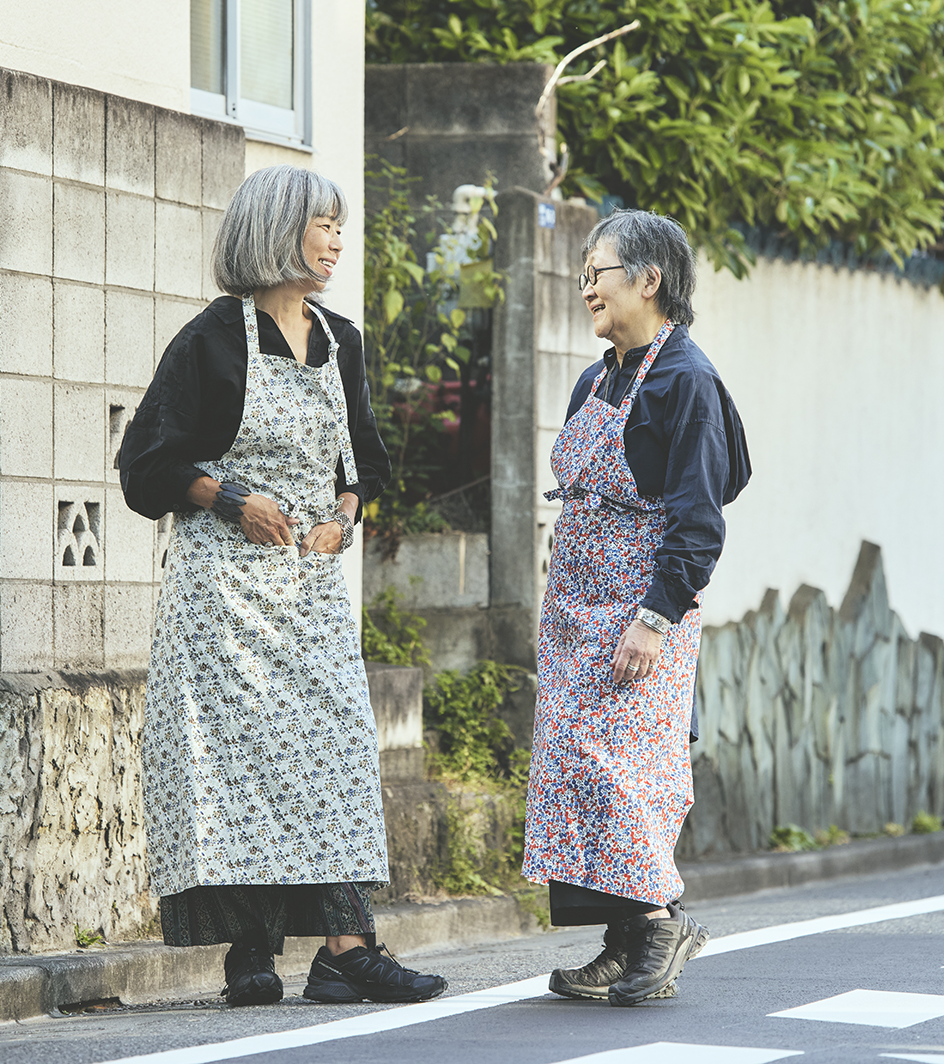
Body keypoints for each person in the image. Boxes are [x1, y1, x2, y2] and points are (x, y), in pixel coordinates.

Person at [119, 165, 447, 1007]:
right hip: (221, 591)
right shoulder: (211, 340)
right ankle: (249, 956)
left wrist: (346, 511)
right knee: (238, 765)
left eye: (339, 226)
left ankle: (346, 950)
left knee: (333, 753)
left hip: (306, 588)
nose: (337, 241)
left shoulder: (343, 341)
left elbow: (364, 463)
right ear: (276, 230)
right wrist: (228, 498)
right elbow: (145, 462)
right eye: (322, 225)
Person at [522, 208, 751, 1007]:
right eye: (582, 274)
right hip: (576, 616)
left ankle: (659, 923)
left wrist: (654, 618)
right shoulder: (598, 376)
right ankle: (619, 942)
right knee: (573, 771)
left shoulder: (685, 380)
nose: (586, 288)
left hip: (640, 618)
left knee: (625, 772)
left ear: (648, 281)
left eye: (599, 273)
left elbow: (698, 520)